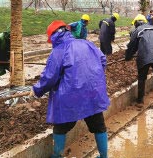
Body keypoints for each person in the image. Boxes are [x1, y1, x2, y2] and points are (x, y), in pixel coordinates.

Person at [30, 20, 110, 158]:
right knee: (99, 125)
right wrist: (93, 76)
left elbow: (50, 76)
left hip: (70, 96)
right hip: (92, 92)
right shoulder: (87, 44)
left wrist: (36, 90)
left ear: (54, 36)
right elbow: (103, 60)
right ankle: (103, 156)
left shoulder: (59, 51)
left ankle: (57, 155)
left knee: (61, 127)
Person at [125, 14, 153, 109]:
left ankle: (140, 101)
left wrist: (128, 57)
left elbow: (131, 45)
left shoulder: (137, 30)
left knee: (142, 78)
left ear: (136, 23)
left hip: (144, 57)